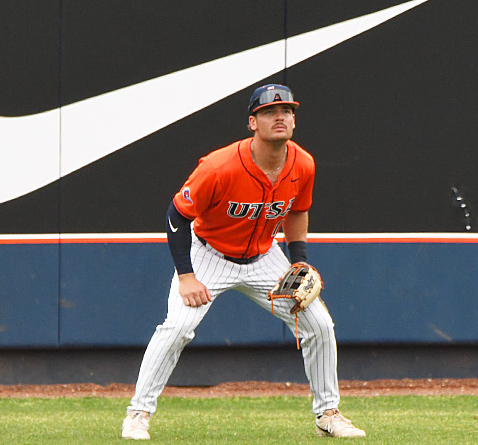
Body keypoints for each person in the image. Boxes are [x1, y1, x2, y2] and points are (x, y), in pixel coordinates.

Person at [121, 84, 366, 440]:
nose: (280, 116)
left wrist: (298, 263)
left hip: (264, 257)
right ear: (252, 122)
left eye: (287, 111)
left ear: (294, 121)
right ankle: (138, 414)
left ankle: (328, 414)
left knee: (320, 326)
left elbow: (297, 212)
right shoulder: (219, 166)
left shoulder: (303, 163)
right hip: (208, 254)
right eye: (269, 112)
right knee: (177, 328)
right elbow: (177, 215)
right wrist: (186, 276)